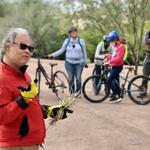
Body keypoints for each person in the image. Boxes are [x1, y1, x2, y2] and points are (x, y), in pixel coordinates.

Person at [0, 28, 71, 150]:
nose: (27, 51)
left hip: (28, 143)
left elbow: (25, 107)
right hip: (15, 145)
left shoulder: (21, 73)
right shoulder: (2, 77)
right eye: (23, 46)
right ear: (7, 47)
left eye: (30, 48)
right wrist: (23, 100)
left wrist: (47, 111)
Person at [48, 27, 88, 97]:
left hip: (79, 63)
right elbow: (61, 50)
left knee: (78, 77)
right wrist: (52, 55)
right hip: (69, 63)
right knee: (71, 78)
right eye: (72, 32)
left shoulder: (81, 41)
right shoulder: (67, 41)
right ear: (70, 34)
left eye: (75, 32)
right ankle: (71, 92)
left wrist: (85, 61)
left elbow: (84, 52)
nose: (74, 33)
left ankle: (78, 93)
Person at [106, 31, 126, 103]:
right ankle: (118, 95)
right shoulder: (116, 46)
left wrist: (110, 61)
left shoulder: (121, 47)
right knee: (116, 81)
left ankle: (116, 95)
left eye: (111, 40)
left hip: (118, 67)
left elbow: (118, 59)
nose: (110, 42)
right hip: (115, 66)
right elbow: (114, 56)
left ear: (115, 39)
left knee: (109, 81)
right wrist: (108, 58)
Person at [140, 31, 150, 96]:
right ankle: (143, 91)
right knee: (145, 75)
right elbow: (146, 41)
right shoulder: (148, 33)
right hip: (149, 56)